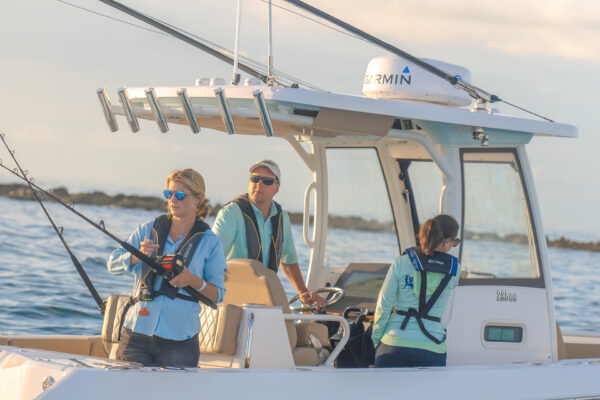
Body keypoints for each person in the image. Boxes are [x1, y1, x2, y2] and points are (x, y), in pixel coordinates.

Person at [107, 168, 227, 367]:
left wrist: (192, 280)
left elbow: (218, 294)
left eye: (180, 195)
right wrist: (137, 256)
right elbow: (112, 264)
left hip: (180, 342)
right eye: (168, 194)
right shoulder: (147, 229)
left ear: (197, 199)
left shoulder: (211, 243)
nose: (173, 200)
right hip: (135, 334)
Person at [212, 159, 326, 310]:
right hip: (232, 299)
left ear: (277, 187)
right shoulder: (231, 213)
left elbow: (288, 259)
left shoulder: (282, 217)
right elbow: (212, 256)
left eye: (266, 181)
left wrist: (303, 292)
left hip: (264, 298)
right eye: (255, 179)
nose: (259, 185)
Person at [371, 214, 461, 368]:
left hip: (394, 344)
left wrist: (376, 340)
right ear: (446, 241)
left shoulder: (401, 262)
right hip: (432, 348)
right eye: (455, 241)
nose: (453, 246)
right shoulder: (455, 269)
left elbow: (383, 305)